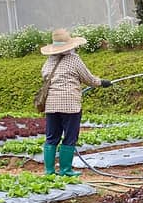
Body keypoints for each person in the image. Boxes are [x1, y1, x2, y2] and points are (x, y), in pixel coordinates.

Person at [38, 28, 110, 175]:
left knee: (51, 137)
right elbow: (89, 79)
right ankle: (65, 169)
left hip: (51, 105)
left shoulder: (49, 61)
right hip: (70, 105)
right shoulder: (74, 59)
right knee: (70, 137)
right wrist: (102, 82)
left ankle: (49, 170)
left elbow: (44, 75)